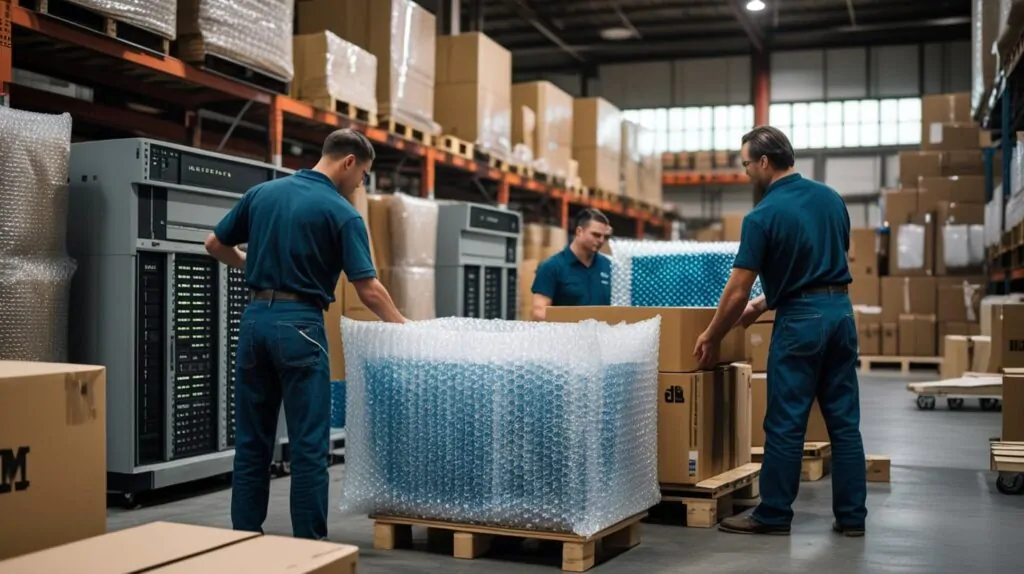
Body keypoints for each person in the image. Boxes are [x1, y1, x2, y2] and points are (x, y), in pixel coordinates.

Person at [204, 128, 406, 540]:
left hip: (255, 320)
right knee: (309, 447)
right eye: (363, 174)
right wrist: (404, 328)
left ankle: (243, 539)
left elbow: (214, 245)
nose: (361, 184)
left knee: (252, 442)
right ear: (349, 162)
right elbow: (367, 288)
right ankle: (309, 549)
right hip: (301, 327)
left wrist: (255, 266)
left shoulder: (263, 194)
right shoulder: (342, 212)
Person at [693, 126, 867, 537]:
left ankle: (772, 514)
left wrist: (713, 335)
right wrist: (765, 301)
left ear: (765, 163)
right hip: (840, 314)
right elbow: (818, 262)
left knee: (787, 422)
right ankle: (852, 519)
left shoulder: (762, 215)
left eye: (746, 165)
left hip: (800, 324)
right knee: (844, 422)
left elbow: (736, 290)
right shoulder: (831, 198)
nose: (746, 173)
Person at [530, 208, 613, 320]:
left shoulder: (608, 266)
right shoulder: (551, 267)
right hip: (566, 336)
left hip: (602, 336)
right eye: (596, 235)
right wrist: (574, 325)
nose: (601, 240)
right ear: (579, 232)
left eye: (605, 237)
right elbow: (539, 312)